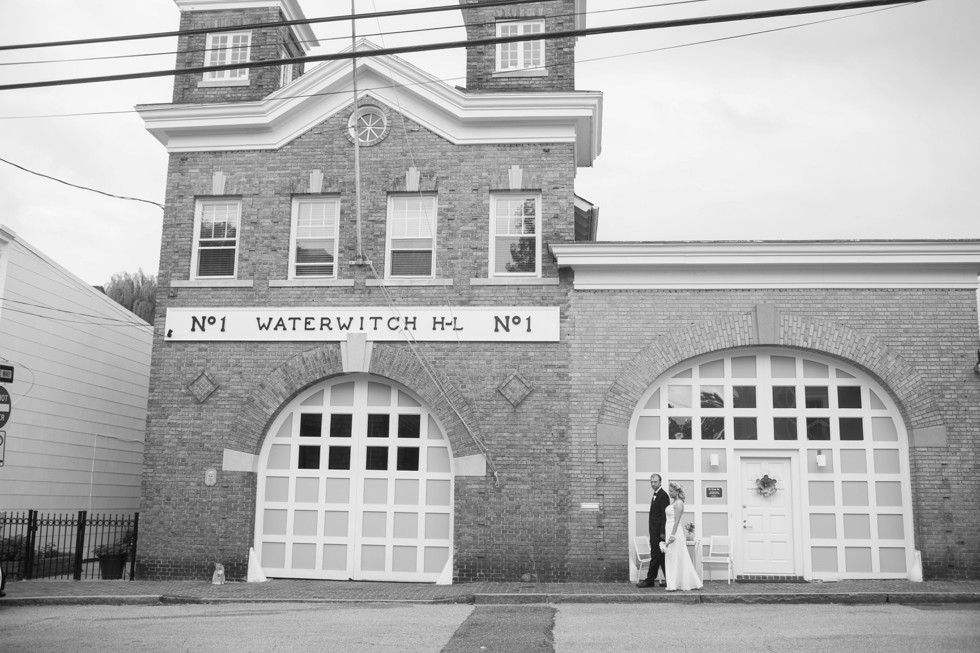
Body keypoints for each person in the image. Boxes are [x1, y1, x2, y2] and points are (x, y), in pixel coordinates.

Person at [662, 481, 703, 591]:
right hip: (669, 528)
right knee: (671, 556)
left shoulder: (679, 503)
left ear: (677, 491)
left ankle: (679, 583)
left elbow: (677, 521)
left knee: (676, 555)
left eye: (671, 491)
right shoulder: (673, 502)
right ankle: (673, 582)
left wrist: (672, 535)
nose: (669, 493)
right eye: (669, 491)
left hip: (674, 531)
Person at [636, 473, 669, 588]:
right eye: (651, 482)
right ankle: (669, 579)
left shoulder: (663, 495)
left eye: (655, 482)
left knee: (656, 555)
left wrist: (662, 532)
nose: (653, 484)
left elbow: (664, 516)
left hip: (658, 533)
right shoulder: (656, 494)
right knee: (660, 556)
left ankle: (650, 580)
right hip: (654, 531)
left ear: (660, 482)